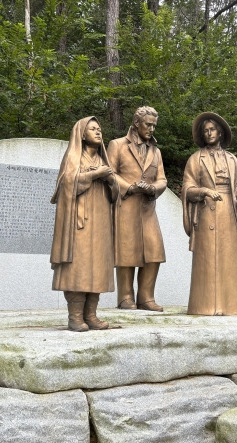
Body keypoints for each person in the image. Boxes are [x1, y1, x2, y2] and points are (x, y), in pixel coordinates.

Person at [50, 117, 119, 331]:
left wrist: (110, 180)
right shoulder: (73, 157)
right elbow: (66, 184)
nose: (98, 132)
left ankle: (91, 315)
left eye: (100, 129)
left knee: (97, 266)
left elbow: (115, 193)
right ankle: (75, 316)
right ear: (81, 133)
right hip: (79, 222)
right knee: (78, 266)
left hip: (100, 223)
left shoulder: (102, 159)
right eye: (93, 129)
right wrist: (95, 174)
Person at [181, 112, 237, 315]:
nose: (209, 133)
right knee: (207, 258)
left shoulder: (232, 159)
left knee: (229, 257)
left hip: (228, 212)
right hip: (206, 214)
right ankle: (205, 305)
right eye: (205, 131)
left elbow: (236, 186)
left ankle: (231, 305)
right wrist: (204, 191)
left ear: (220, 133)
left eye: (212, 130)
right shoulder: (196, 159)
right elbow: (187, 189)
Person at [107, 106, 167, 311]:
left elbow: (163, 180)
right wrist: (128, 187)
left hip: (148, 207)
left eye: (154, 126)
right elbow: (110, 173)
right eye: (148, 125)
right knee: (126, 251)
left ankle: (146, 297)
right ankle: (125, 297)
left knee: (154, 250)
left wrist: (153, 188)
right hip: (126, 205)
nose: (151, 129)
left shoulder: (155, 151)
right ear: (136, 123)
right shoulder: (117, 145)